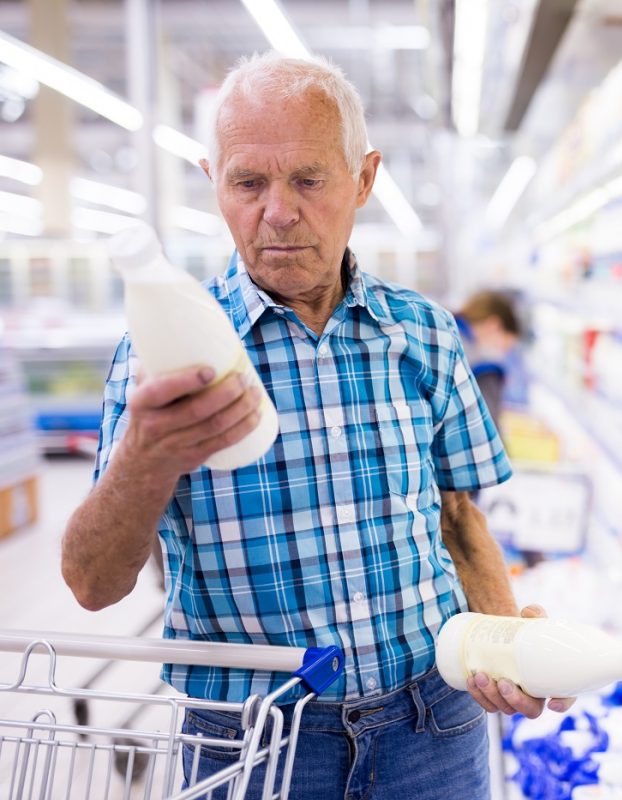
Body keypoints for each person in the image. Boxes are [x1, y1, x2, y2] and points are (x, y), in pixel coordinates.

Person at [60, 52, 570, 799]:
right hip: (254, 744)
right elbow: (93, 585)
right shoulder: (160, 356)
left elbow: (459, 517)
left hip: (433, 725)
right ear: (215, 184)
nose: (277, 211)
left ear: (363, 179)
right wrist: (145, 458)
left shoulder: (423, 333)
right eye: (247, 183)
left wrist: (504, 642)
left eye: (308, 179)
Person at [455, 289, 528, 420]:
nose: (503, 355)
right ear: (493, 325)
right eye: (504, 347)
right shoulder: (482, 366)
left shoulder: (443, 328)